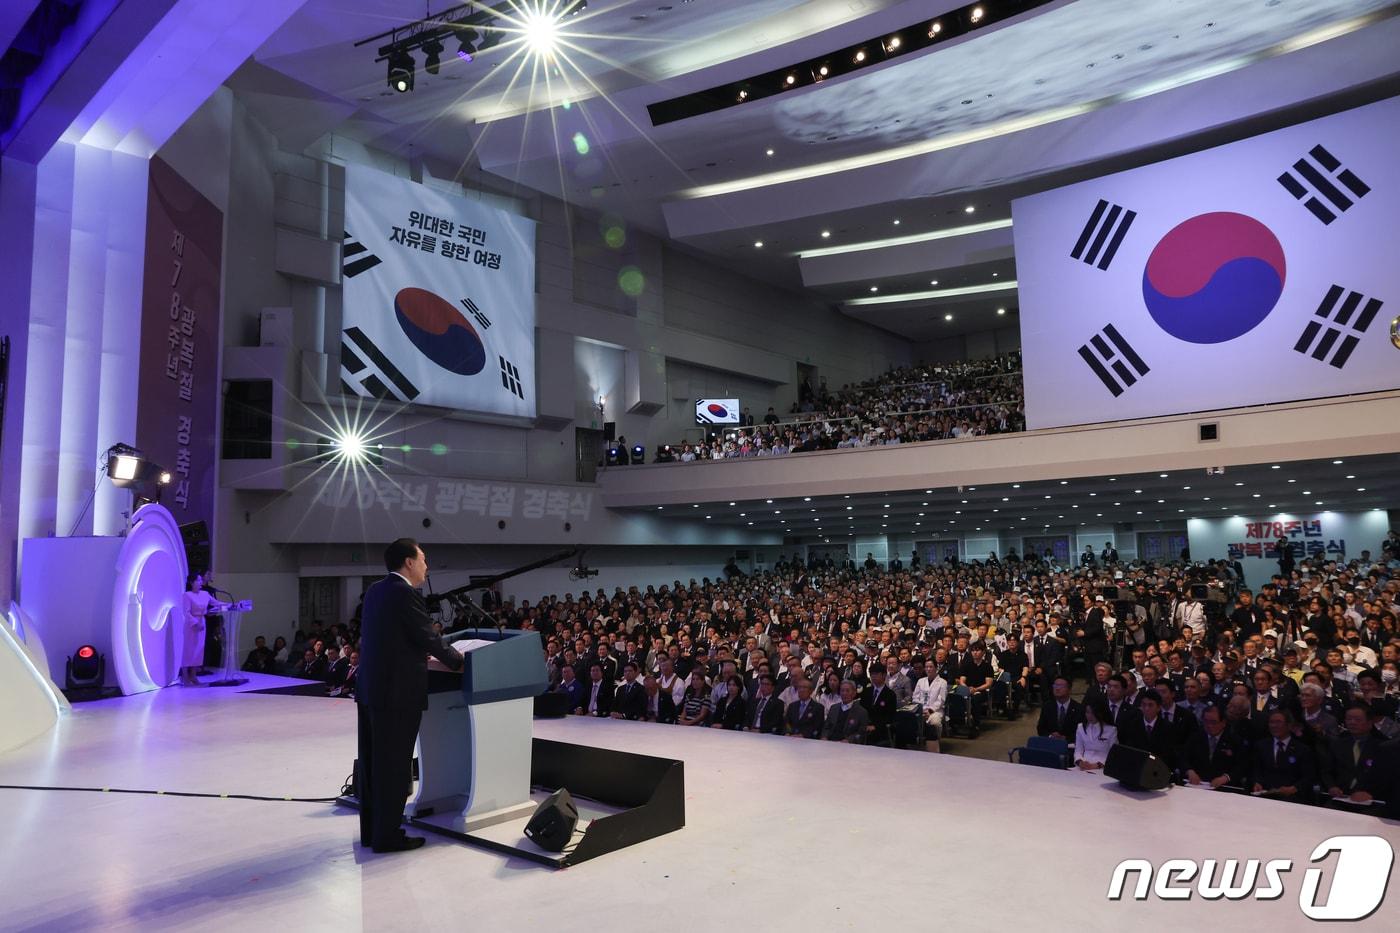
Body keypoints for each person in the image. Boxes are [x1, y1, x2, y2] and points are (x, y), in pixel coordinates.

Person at [356, 538, 464, 854]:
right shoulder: (405, 593)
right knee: (394, 765)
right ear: (409, 562)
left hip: (372, 689)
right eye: (423, 559)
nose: (426, 566)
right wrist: (457, 660)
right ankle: (388, 837)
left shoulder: (375, 591)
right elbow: (427, 636)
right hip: (397, 694)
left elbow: (395, 637)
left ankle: (373, 832)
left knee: (374, 764)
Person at [179, 573, 215, 687]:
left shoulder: (205, 594)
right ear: (191, 582)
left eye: (200, 580)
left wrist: (232, 605)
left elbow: (216, 603)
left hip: (202, 622)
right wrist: (195, 623)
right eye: (198, 580)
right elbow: (186, 612)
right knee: (188, 649)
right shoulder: (187, 595)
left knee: (198, 650)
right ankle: (185, 677)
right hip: (191, 625)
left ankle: (193, 676)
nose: (200, 582)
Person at [1074, 699, 1117, 771]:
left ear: (1100, 713)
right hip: (1083, 766)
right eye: (1087, 712)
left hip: (1102, 767)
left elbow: (1113, 755)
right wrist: (1080, 762)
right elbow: (1078, 750)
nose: (1090, 716)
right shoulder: (1080, 727)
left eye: (1093, 713)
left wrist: (1097, 765)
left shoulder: (1111, 730)